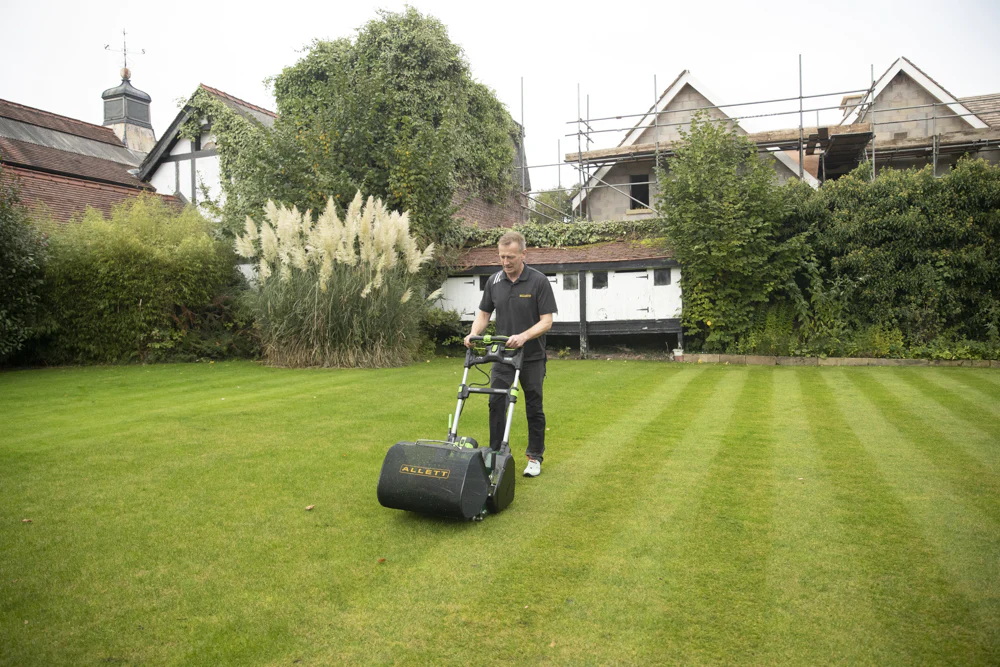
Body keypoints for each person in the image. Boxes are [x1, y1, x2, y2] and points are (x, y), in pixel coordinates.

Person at [464, 231, 557, 477]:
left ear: (524, 254)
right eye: (502, 257)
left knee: (533, 406)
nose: (506, 262)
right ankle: (496, 454)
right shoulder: (494, 281)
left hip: (532, 357)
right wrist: (473, 334)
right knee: (496, 402)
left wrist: (524, 336)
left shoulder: (538, 282)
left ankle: (534, 457)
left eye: (511, 257)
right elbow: (484, 314)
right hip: (503, 355)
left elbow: (546, 321)